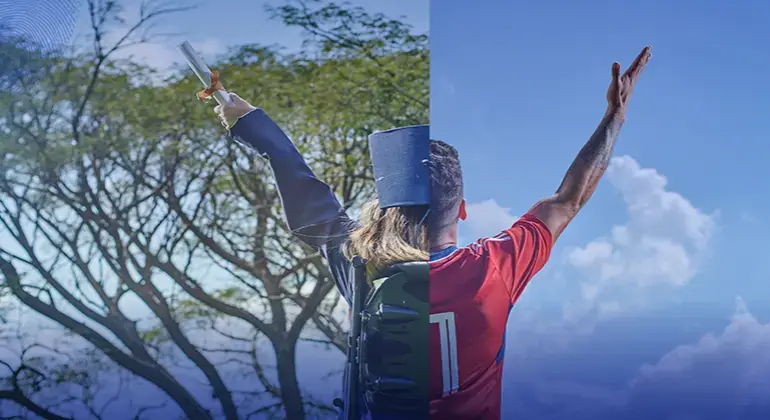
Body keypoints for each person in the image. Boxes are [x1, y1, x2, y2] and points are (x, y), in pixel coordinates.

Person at [214, 45, 651, 420]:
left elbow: (307, 193)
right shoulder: (493, 269)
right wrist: (615, 116)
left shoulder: (363, 265)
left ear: (388, 210)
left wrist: (251, 121)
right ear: (461, 210)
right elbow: (568, 200)